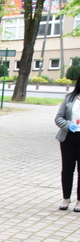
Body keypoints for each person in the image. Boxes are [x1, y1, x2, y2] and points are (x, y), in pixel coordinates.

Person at [55, 77, 80, 211]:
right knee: (67, 169)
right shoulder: (69, 98)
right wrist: (67, 125)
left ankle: (79, 200)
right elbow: (58, 117)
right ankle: (66, 198)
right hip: (69, 137)